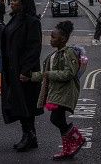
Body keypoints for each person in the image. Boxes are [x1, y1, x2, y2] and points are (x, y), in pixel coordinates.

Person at [25, 21, 86, 160]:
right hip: (56, 92)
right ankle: (69, 148)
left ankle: (77, 139)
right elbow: (44, 73)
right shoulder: (54, 55)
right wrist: (29, 77)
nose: (51, 39)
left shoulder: (68, 53)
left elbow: (69, 73)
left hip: (64, 93)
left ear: (63, 39)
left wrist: (49, 74)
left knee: (56, 119)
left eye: (53, 37)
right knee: (58, 120)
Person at [0, 0, 43, 152]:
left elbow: (34, 48)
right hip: (12, 68)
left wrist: (26, 71)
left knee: (26, 104)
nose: (12, 2)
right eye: (12, 0)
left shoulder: (32, 22)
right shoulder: (14, 19)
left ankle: (30, 136)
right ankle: (28, 135)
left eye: (15, 0)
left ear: (24, 3)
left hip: (24, 71)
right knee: (18, 103)